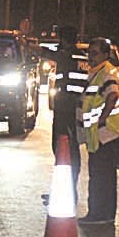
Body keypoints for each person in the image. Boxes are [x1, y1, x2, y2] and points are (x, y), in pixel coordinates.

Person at [78, 37, 119, 226]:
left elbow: (112, 95)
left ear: (106, 55)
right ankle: (103, 214)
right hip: (100, 134)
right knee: (102, 175)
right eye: (89, 53)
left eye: (95, 53)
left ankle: (99, 214)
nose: (90, 56)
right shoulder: (96, 73)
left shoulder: (107, 73)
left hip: (107, 133)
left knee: (100, 176)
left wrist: (101, 119)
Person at [49, 26, 86, 201]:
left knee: (62, 147)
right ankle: (67, 188)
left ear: (63, 40)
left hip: (65, 106)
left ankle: (66, 190)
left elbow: (49, 53)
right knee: (71, 148)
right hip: (75, 106)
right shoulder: (81, 56)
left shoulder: (66, 55)